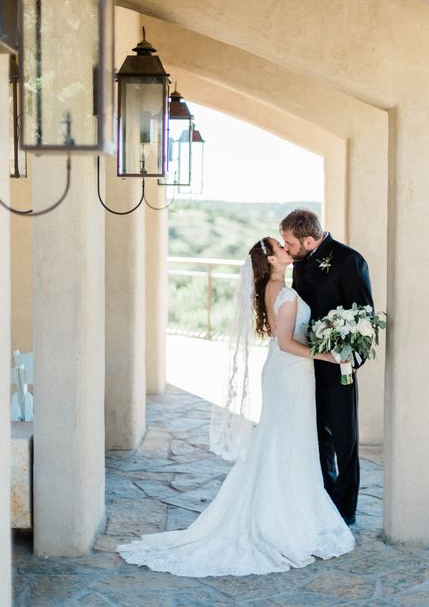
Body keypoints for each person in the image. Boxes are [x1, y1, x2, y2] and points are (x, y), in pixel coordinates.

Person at [117, 237, 354, 576]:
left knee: (288, 441)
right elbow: (287, 343)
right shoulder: (283, 294)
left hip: (290, 375)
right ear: (271, 260)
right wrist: (328, 355)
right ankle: (284, 518)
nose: (288, 249)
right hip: (289, 375)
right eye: (280, 247)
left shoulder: (277, 288)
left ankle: (292, 508)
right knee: (287, 441)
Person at [280, 209, 374, 526]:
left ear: (309, 239)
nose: (287, 248)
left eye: (290, 242)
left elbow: (365, 317)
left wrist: (349, 359)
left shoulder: (350, 261)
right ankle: (324, 500)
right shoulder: (299, 262)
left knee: (345, 439)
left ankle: (345, 511)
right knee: (316, 435)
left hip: (338, 365)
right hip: (306, 365)